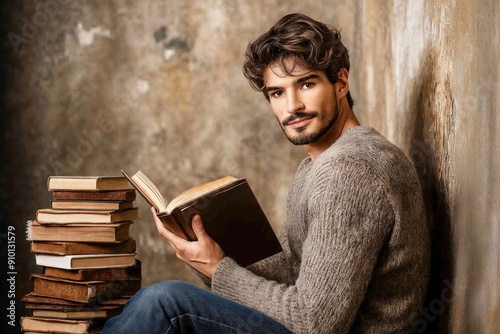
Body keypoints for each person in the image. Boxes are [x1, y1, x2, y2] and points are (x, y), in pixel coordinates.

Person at [103, 13, 429, 333]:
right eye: (278, 93)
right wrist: (205, 252)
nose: (293, 106)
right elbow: (291, 272)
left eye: (307, 84)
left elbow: (314, 323)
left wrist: (220, 269)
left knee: (165, 304)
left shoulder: (348, 171)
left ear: (341, 82)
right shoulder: (317, 166)